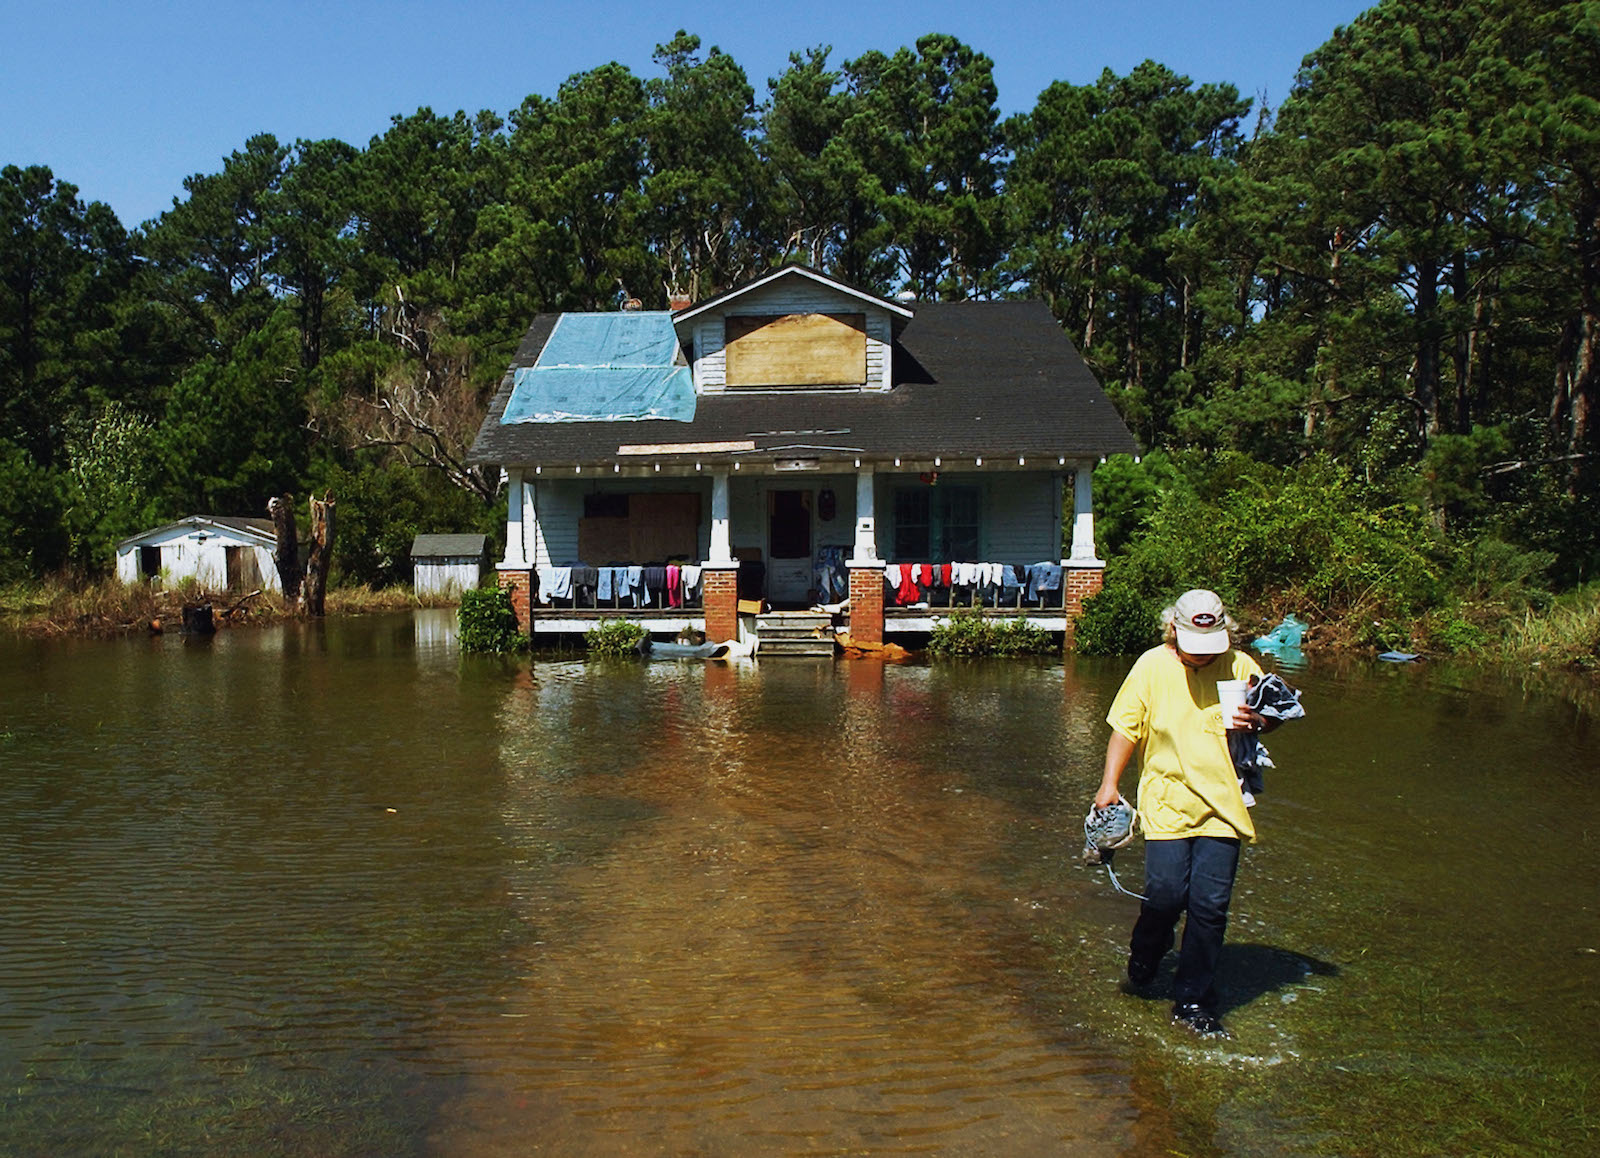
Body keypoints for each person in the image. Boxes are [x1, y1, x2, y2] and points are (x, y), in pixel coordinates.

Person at [1092, 589, 1280, 1039]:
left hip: (1224, 804)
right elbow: (1125, 730)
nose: (1202, 657)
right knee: (1165, 896)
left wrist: (1262, 722)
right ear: (1173, 630)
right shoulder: (1151, 666)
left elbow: (1270, 714)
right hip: (1167, 799)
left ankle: (1193, 1002)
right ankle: (1146, 952)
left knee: (1210, 908)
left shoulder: (1239, 666)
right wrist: (1108, 785)